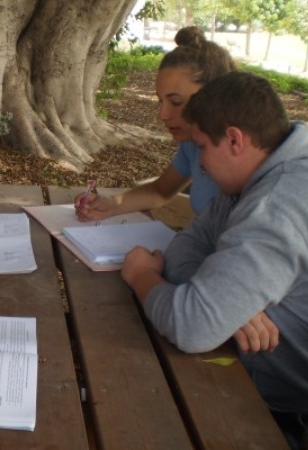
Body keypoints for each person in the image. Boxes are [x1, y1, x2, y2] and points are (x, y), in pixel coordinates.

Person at [121, 71, 308, 449]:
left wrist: (141, 275)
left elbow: (193, 325)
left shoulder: (274, 207)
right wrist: (226, 299)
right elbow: (187, 244)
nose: (201, 165)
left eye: (202, 146)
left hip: (285, 411)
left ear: (235, 140)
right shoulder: (262, 167)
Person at [75, 26, 235, 222]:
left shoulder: (250, 164)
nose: (162, 115)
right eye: (161, 101)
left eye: (176, 102)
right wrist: (110, 205)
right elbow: (160, 190)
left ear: (214, 97)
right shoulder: (191, 144)